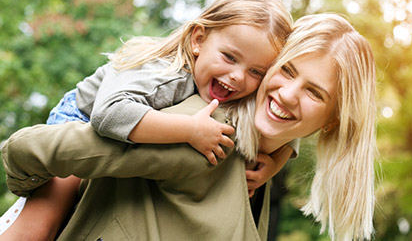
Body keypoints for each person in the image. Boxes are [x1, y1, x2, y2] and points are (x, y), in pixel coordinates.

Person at [1, 13, 378, 241]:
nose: (290, 94)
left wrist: (281, 156)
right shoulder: (203, 132)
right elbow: (29, 149)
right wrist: (39, 195)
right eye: (288, 71)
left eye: (314, 92)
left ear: (332, 122)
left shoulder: (260, 163)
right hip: (91, 110)